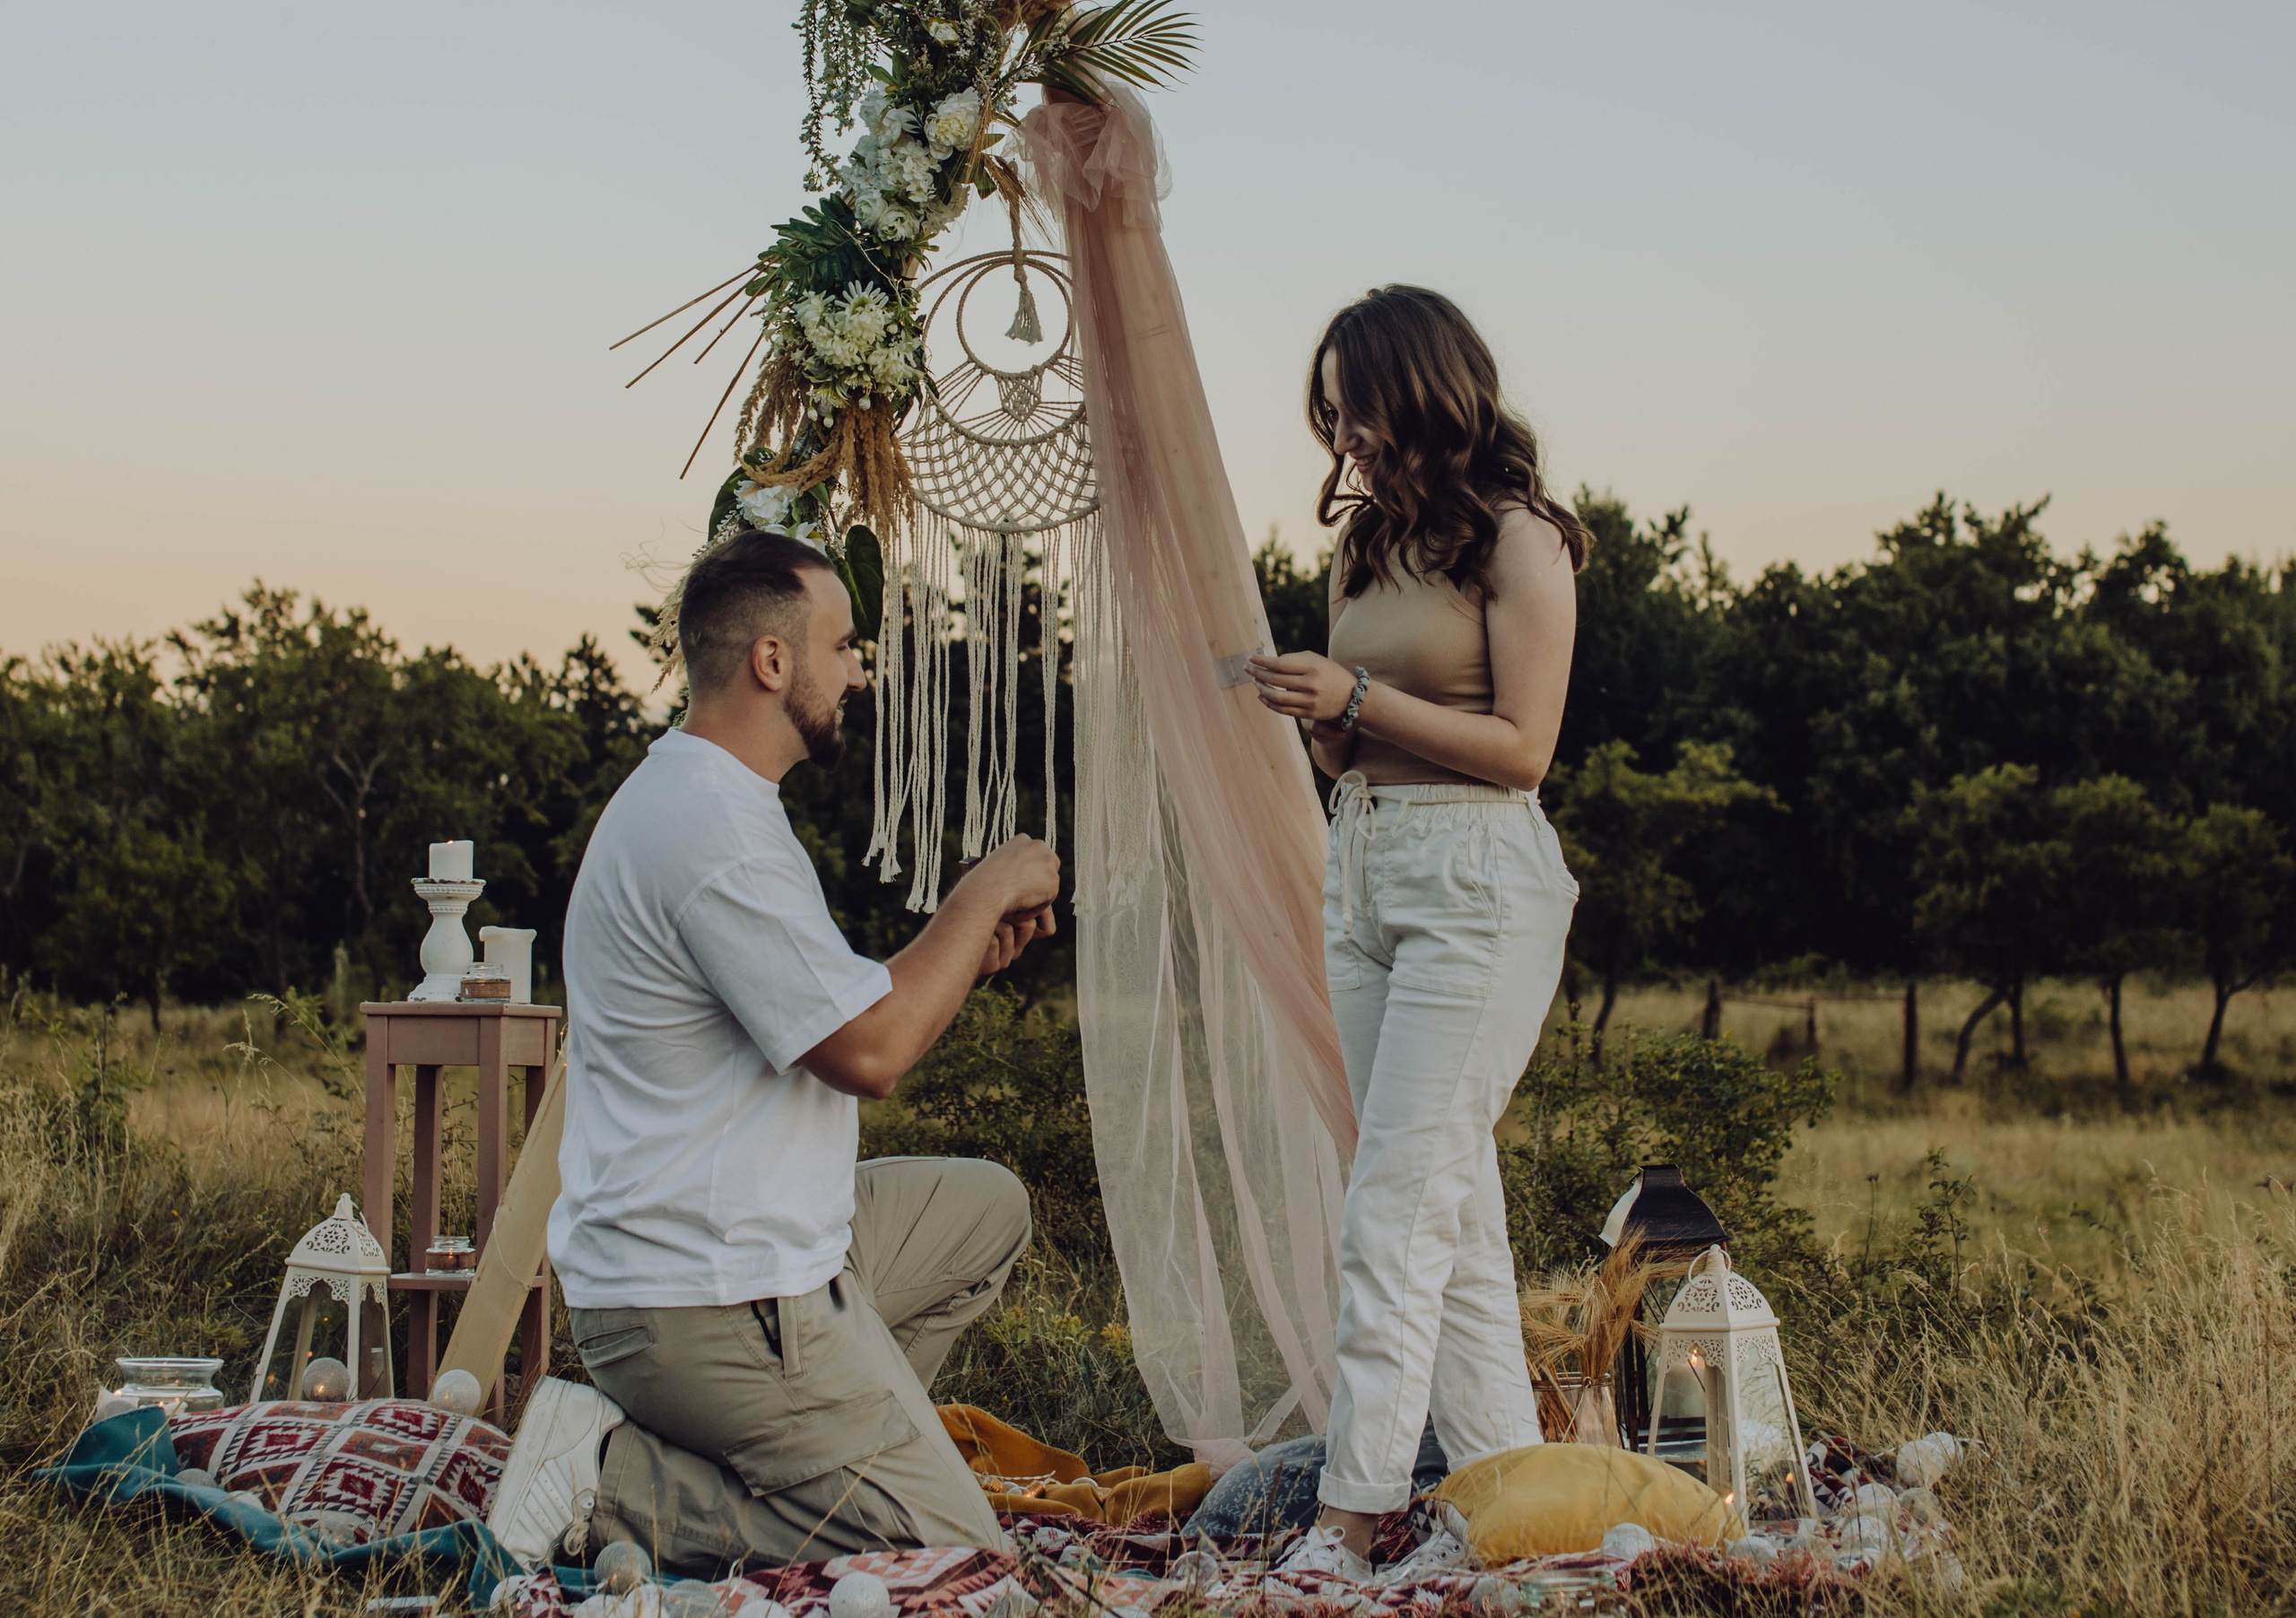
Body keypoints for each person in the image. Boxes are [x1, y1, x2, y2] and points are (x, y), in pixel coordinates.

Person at [487, 528, 1064, 1577]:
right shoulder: (713, 832)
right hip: (706, 1292)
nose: (856, 668)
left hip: (763, 1249)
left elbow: (837, 1010)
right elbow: (871, 1052)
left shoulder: (713, 802)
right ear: (771, 660)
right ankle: (612, 1479)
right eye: (842, 645)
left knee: (989, 1208)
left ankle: (839, 1441)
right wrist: (977, 893)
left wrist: (962, 956)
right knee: (955, 1556)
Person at [1248, 286, 1587, 1580]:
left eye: (1358, 407)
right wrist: (1317, 713)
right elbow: (1354, 740)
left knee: (1392, 1207)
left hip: (1477, 884)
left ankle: (1355, 1518)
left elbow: (1525, 750)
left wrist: (1364, 691)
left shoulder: (1519, 539)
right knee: (1452, 1213)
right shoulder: (1365, 547)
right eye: (1327, 415)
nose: (1343, 438)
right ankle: (1511, 1503)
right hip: (1367, 867)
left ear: (1424, 388)